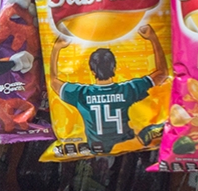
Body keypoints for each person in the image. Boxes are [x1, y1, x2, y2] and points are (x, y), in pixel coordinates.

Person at [50, 25, 167, 154]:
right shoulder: (128, 90)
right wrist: (153, 38)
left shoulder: (80, 94)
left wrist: (56, 48)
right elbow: (162, 73)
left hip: (96, 149)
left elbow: (54, 81)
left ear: (93, 71)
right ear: (114, 69)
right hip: (129, 144)